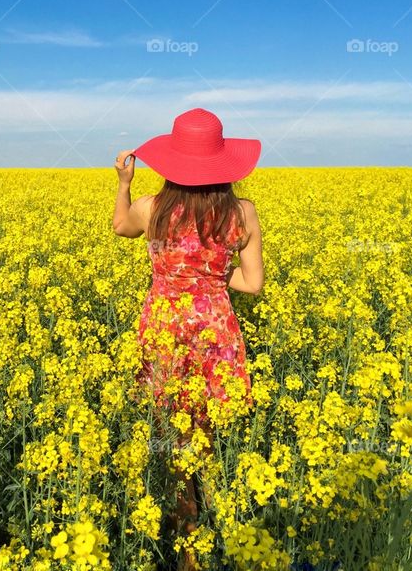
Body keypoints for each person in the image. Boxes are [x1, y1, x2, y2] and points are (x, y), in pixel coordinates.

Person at [112, 107, 265, 570]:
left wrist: (122, 183)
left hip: (164, 327)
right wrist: (213, 280)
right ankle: (219, 532)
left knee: (174, 434)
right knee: (211, 431)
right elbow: (253, 283)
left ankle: (187, 541)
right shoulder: (242, 213)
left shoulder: (151, 208)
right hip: (215, 328)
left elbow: (120, 227)